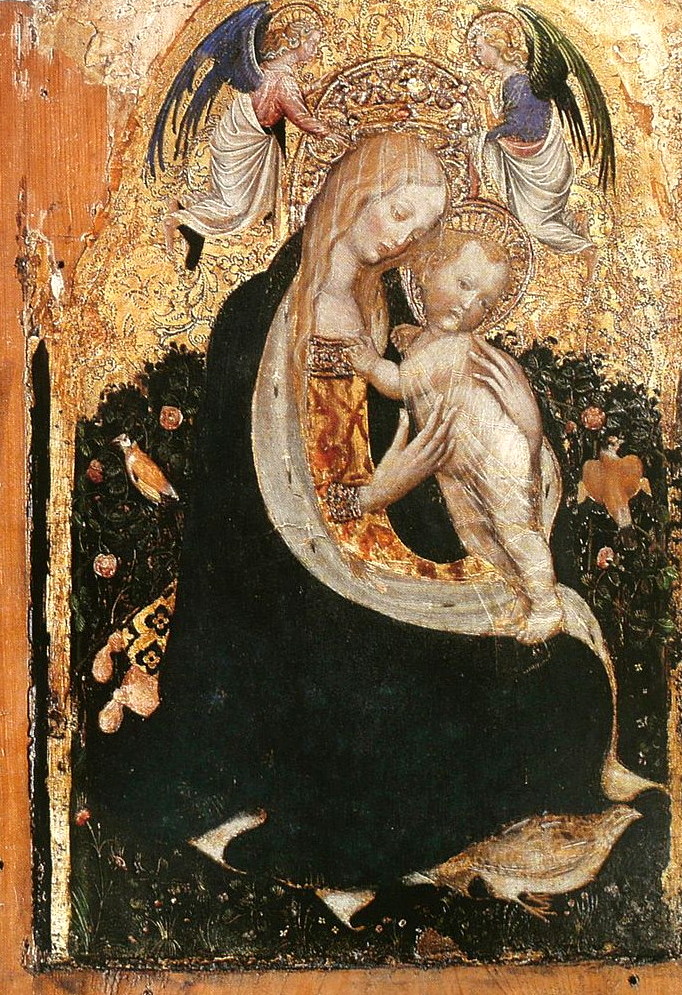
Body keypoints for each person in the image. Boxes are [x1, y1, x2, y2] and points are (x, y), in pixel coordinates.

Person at [90, 132, 646, 902]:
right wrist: (389, 485)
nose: (400, 236)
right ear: (356, 191)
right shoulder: (259, 314)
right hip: (290, 596)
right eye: (397, 210)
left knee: (564, 672)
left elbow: (427, 458)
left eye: (421, 228)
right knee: (413, 710)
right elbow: (242, 514)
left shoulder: (385, 312)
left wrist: (508, 422)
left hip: (379, 558)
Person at [347, 204, 563, 643]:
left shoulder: (456, 347)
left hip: (495, 456)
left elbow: (399, 383)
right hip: (459, 462)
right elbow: (423, 361)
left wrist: (368, 363)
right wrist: (410, 337)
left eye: (484, 301)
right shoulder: (433, 342)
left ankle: (546, 603)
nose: (469, 305)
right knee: (478, 533)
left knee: (514, 529)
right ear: (427, 271)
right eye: (464, 284)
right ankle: (518, 591)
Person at [162, 6, 342, 260]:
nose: (315, 50)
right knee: (237, 208)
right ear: (295, 42)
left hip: (238, 134)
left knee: (229, 197)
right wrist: (329, 133)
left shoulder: (269, 69)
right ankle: (177, 220)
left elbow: (282, 100)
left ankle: (183, 201)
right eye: (312, 43)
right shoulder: (285, 81)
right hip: (244, 142)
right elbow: (299, 116)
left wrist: (315, 86)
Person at [466, 11, 599, 278]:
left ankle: (585, 248)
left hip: (541, 166)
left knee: (533, 224)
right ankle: (572, 220)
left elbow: (526, 128)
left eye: (479, 48)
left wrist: (486, 136)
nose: (476, 55)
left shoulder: (521, 83)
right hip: (529, 163)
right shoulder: (509, 81)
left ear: (497, 46)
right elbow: (507, 119)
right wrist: (483, 103)